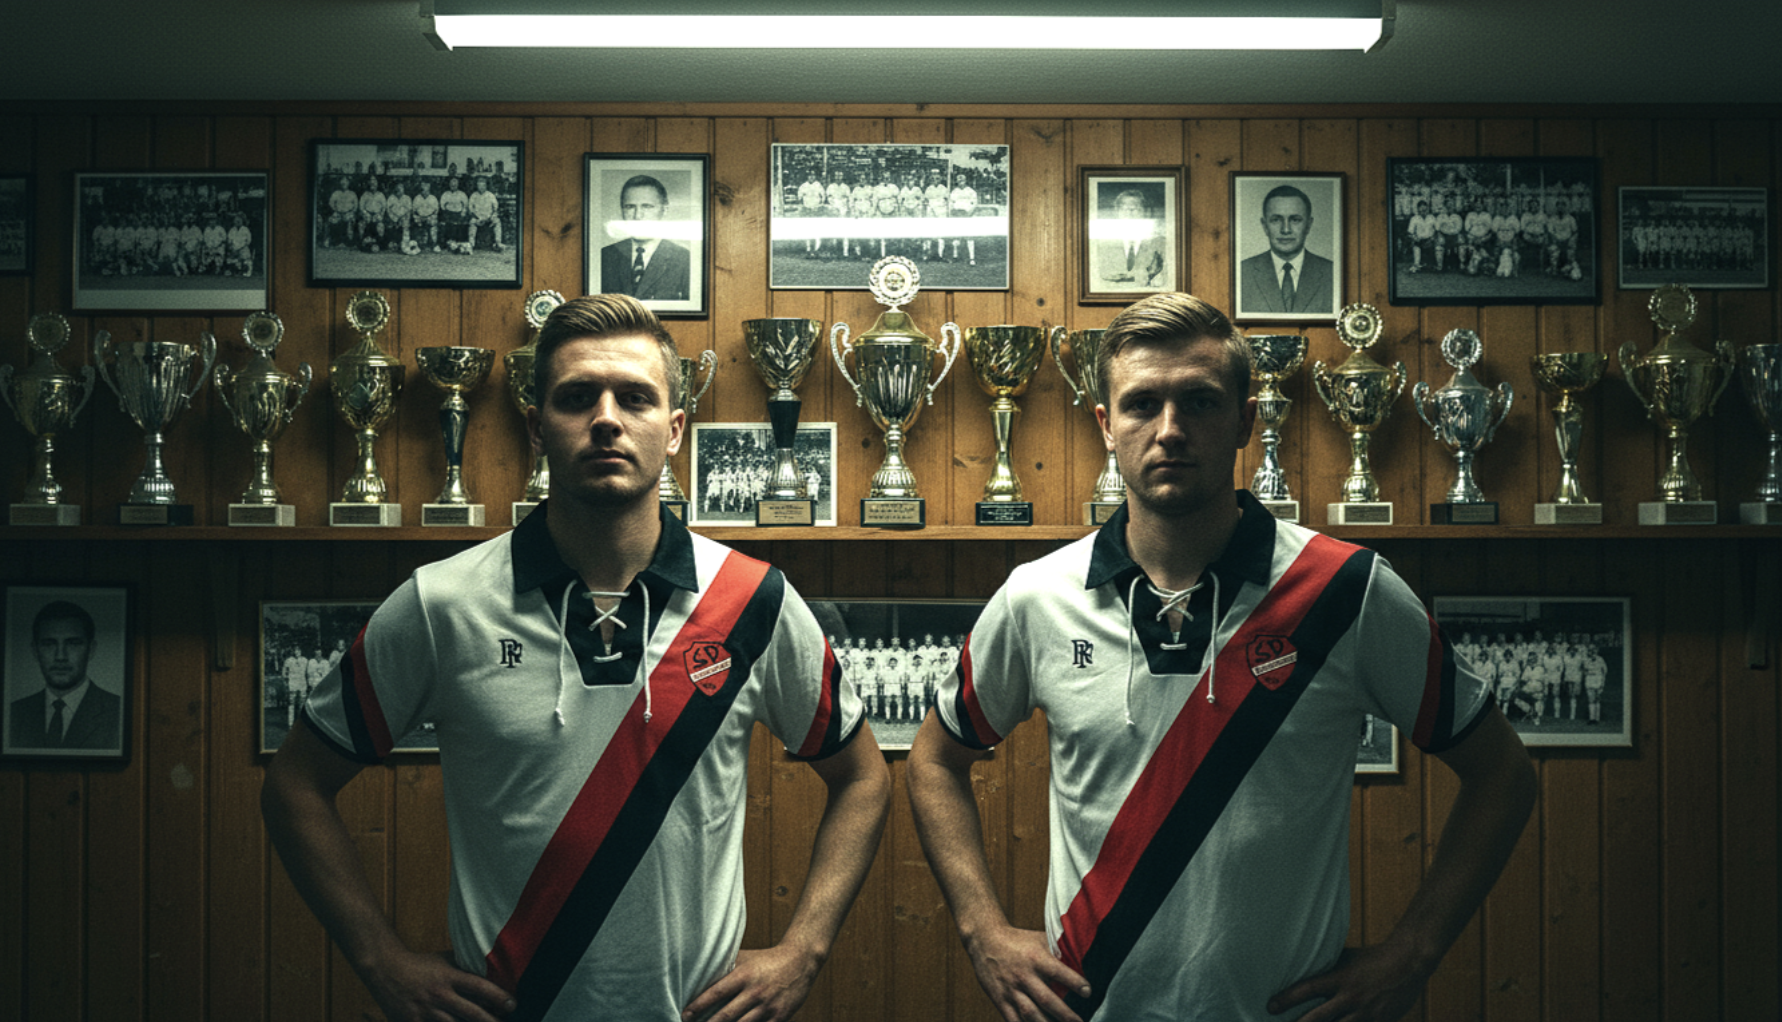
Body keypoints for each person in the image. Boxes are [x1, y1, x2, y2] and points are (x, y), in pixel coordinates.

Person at [907, 291, 1536, 1022]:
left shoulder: (1347, 591)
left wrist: (1417, 950)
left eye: (1199, 403)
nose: (1170, 430)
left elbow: (1503, 773)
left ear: (1245, 421)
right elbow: (934, 759)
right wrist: (981, 931)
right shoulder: (1037, 597)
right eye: (1142, 405)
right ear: (1106, 426)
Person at [262, 293, 888, 1022]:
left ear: (675, 429)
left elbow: (863, 777)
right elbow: (296, 784)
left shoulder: (753, 601)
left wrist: (804, 949)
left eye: (636, 398)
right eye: (577, 397)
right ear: (536, 427)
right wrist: (381, 960)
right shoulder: (443, 604)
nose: (606, 419)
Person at [9, 600, 123, 751]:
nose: (60, 656)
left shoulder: (119, 712)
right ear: (35, 651)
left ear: (91, 650)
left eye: (73, 644)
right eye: (49, 644)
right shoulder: (13, 714)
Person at [1237, 184, 1335, 316]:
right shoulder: (1242, 274)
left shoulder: (1332, 274)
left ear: (1308, 225)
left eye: (1295, 220)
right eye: (1276, 220)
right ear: (1265, 226)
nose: (1286, 230)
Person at [599, 175, 691, 302]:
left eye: (647, 207)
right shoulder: (605, 256)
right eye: (630, 207)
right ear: (622, 210)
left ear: (664, 210)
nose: (637, 216)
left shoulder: (685, 260)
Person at [1094, 189, 1169, 291]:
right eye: (1124, 207)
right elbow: (1100, 277)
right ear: (1117, 212)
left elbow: (1166, 281)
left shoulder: (1161, 243)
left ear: (1145, 212)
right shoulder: (1102, 244)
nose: (1130, 210)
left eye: (1136, 207)